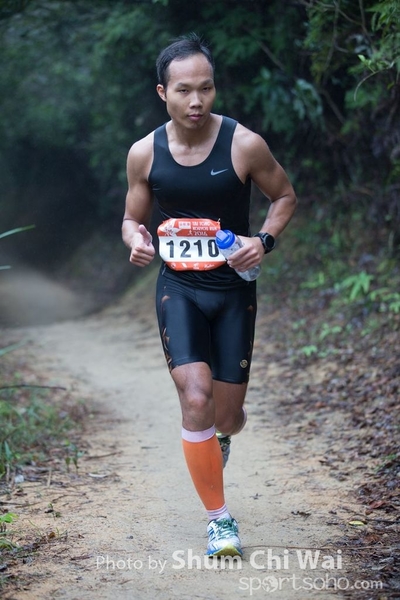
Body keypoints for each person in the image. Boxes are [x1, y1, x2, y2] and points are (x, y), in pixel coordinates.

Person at [122, 33, 297, 558]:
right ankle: (220, 521)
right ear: (163, 93)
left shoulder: (244, 144)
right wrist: (136, 240)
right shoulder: (144, 153)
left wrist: (262, 241)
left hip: (233, 291)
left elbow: (284, 196)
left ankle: (222, 434)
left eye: (206, 88)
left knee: (227, 415)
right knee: (195, 397)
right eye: (184, 90)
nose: (196, 101)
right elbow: (131, 218)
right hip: (178, 287)